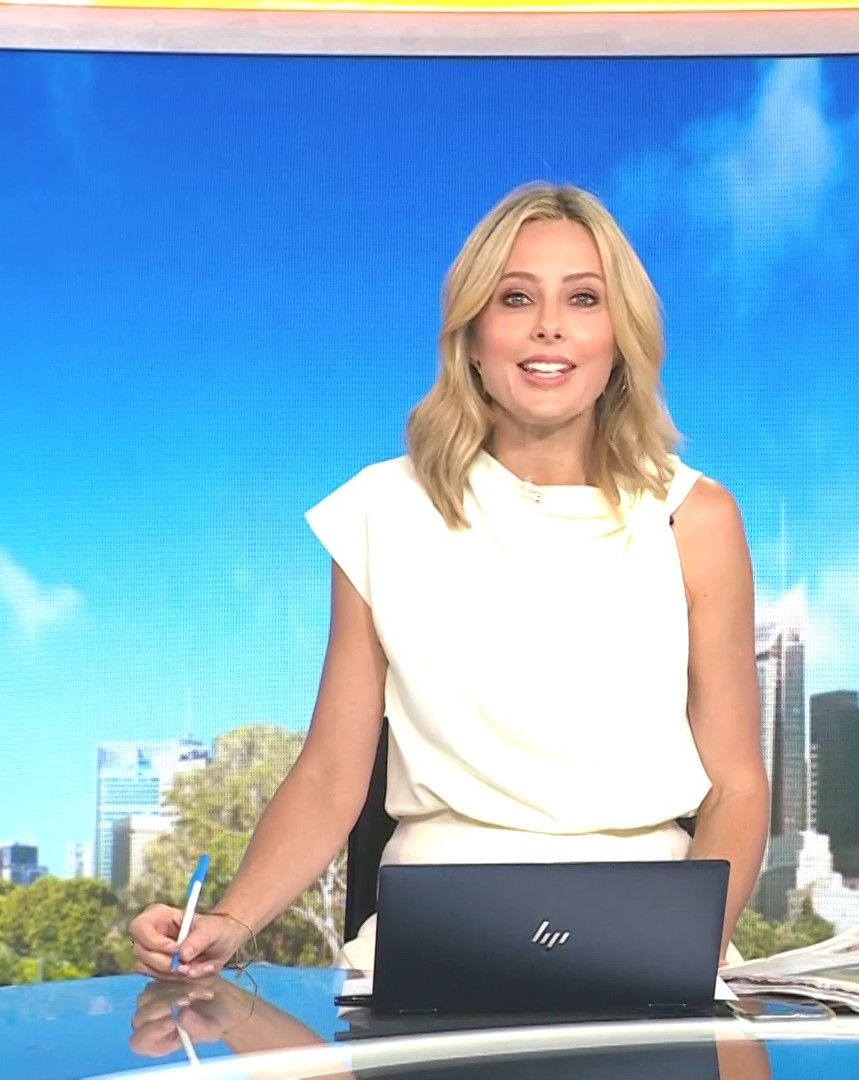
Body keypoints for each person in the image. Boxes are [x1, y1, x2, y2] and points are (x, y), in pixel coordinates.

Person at [129, 180, 768, 980]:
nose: (548, 326)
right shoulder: (382, 510)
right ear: (470, 336)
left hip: (654, 942)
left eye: (583, 298)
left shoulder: (697, 519)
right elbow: (331, 775)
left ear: (620, 336)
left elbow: (737, 789)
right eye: (515, 298)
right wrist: (230, 921)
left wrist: (682, 956)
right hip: (433, 947)